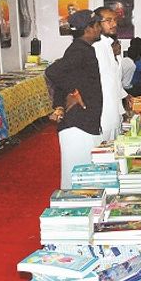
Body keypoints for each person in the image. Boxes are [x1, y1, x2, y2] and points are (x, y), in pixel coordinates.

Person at [44, 10, 104, 189]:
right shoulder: (79, 50)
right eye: (98, 25)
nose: (100, 29)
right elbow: (52, 71)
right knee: (76, 178)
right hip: (78, 124)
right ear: (89, 29)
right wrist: (74, 92)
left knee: (83, 177)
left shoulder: (83, 49)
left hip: (85, 121)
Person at [93, 7, 128, 142]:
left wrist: (125, 97)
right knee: (103, 150)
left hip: (114, 108)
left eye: (115, 20)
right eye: (108, 20)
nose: (114, 24)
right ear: (97, 23)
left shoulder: (110, 45)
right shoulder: (96, 46)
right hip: (103, 111)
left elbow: (114, 79)